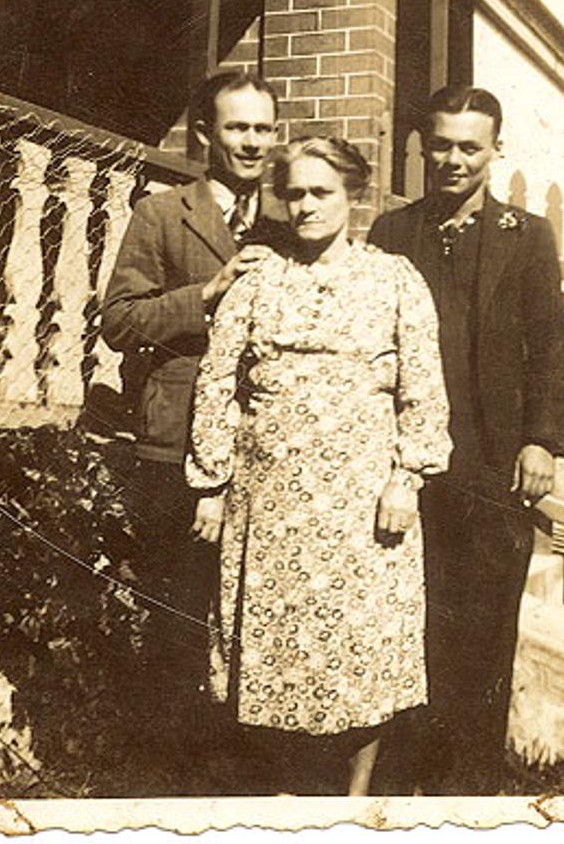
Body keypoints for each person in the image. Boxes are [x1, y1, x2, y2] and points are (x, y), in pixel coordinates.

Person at [185, 136, 452, 796]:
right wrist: (211, 484)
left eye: (320, 192)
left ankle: (354, 799)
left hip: (361, 501)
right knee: (272, 644)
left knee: (362, 643)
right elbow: (218, 382)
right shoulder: (256, 277)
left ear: (352, 194)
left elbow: (424, 387)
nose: (305, 206)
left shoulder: (394, 278)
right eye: (294, 193)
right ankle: (283, 793)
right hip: (269, 500)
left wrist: (405, 477)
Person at [368, 85, 564, 794]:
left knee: (486, 627)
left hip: (495, 463)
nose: (453, 159)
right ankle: (402, 780)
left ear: (495, 149)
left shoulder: (529, 234)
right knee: (414, 620)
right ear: (424, 145)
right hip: (413, 465)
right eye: (442, 144)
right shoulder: (392, 233)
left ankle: (470, 789)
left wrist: (542, 440)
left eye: (469, 146)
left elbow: (550, 346)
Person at [100, 69, 287, 790]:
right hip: (176, 438)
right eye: (237, 128)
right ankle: (162, 775)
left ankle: (235, 768)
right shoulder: (162, 213)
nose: (251, 142)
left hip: (267, 444)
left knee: (249, 608)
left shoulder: (288, 216)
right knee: (178, 605)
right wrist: (206, 294)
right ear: (206, 133)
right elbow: (120, 321)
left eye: (262, 129)